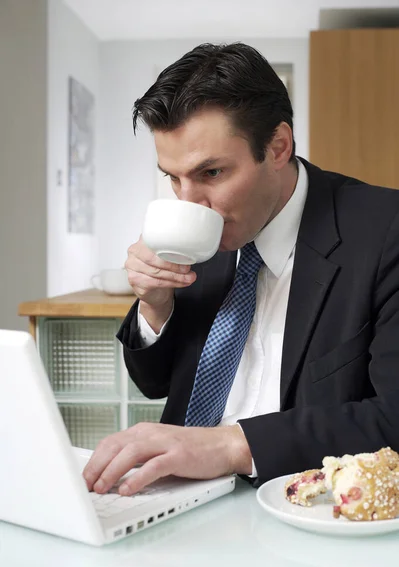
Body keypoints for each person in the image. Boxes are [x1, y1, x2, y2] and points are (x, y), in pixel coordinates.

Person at [83, 42, 399, 497]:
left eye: (210, 173)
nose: (189, 202)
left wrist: (233, 445)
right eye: (173, 177)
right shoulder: (202, 233)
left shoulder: (385, 230)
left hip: (300, 506)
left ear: (277, 146)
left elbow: (392, 417)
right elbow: (153, 383)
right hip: (174, 499)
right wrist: (155, 307)